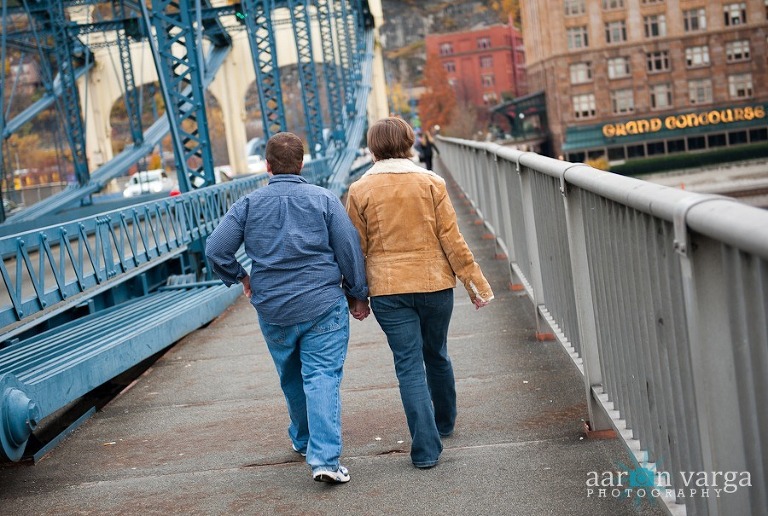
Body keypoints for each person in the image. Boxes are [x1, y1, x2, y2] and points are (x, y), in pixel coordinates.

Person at [205, 132, 370, 484]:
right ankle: (324, 458)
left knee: (292, 376)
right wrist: (358, 293)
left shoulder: (247, 205)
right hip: (322, 303)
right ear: (302, 163)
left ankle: (304, 439)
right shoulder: (324, 200)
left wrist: (241, 278)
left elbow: (215, 249)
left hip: (273, 308)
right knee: (322, 376)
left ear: (267, 166)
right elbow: (348, 248)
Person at [345, 117, 494, 469]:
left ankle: (426, 450)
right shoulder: (431, 182)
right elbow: (451, 238)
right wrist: (475, 285)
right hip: (435, 284)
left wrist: (357, 295)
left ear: (372, 147)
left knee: (409, 365)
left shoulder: (359, 190)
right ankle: (444, 422)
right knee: (437, 354)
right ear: (409, 142)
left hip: (388, 290)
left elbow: (355, 249)